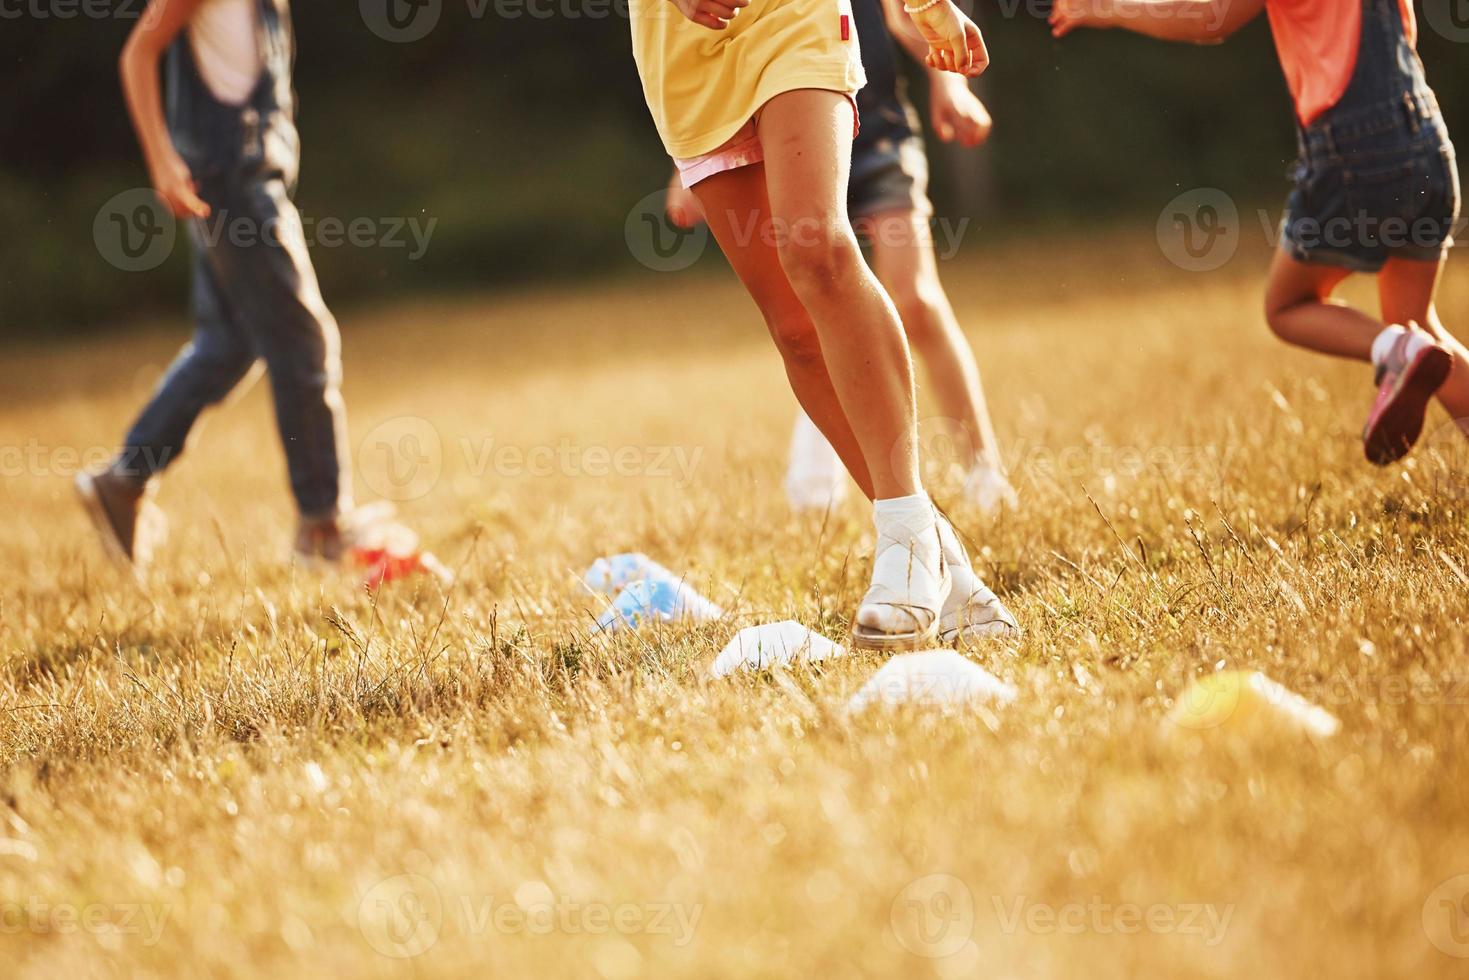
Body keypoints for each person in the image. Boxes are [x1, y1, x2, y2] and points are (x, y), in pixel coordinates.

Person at [631, 0, 1019, 646]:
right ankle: (938, 556)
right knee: (793, 330)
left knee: (816, 251)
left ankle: (899, 532)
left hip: (791, 17)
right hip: (682, 53)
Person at [1050, 0, 1465, 465]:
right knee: (1421, 324)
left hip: (1356, 150)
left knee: (1287, 306)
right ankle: (1407, 346)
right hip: (1425, 138)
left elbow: (1208, 18)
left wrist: (1107, 9)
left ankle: (1396, 349)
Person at [77, 0, 355, 568]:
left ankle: (123, 480)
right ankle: (322, 525)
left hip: (250, 178)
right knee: (305, 343)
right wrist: (161, 161)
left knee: (228, 344)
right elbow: (139, 53)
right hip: (231, 185)